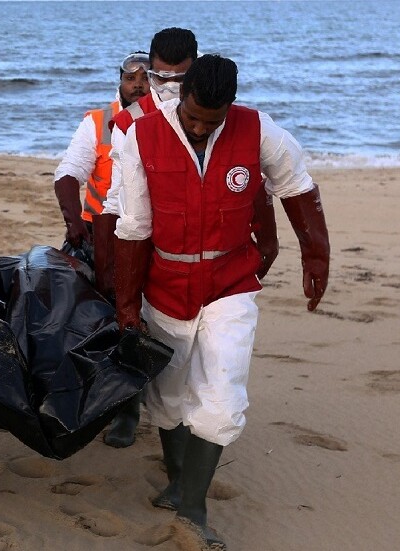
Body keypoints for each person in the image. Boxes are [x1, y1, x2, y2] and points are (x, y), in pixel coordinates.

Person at [113, 54, 329, 550]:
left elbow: (296, 184)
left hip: (231, 283)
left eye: (212, 122)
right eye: (192, 117)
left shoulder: (258, 130)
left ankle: (193, 508)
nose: (200, 128)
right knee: (167, 397)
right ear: (182, 94)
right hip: (164, 285)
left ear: (230, 107)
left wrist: (315, 255)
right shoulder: (140, 136)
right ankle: (176, 482)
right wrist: (127, 307)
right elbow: (133, 227)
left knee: (220, 400)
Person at [105, 28, 279, 284]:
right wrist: (114, 275)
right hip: (158, 252)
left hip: (218, 253)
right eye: (162, 78)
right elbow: (118, 199)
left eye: (181, 77)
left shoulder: (215, 108)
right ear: (151, 71)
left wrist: (267, 240)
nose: (171, 86)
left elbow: (248, 178)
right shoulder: (130, 122)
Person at [51, 50, 149, 448]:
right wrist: (74, 224)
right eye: (131, 78)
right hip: (96, 235)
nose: (138, 85)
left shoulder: (168, 121)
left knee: (134, 320)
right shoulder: (98, 122)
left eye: (146, 78)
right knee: (76, 316)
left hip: (143, 237)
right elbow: (68, 173)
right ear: (120, 81)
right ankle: (86, 396)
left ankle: (129, 410)